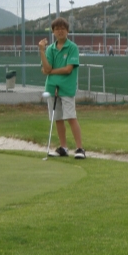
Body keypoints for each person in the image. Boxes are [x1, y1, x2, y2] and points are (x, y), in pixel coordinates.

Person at [39, 17, 85, 159]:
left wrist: (51, 71)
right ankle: (63, 148)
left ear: (67, 31)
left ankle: (79, 149)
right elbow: (46, 68)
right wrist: (42, 51)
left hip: (67, 87)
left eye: (62, 29)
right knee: (57, 118)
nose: (60, 31)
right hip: (52, 87)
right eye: (57, 29)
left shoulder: (72, 47)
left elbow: (68, 69)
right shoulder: (51, 49)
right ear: (53, 32)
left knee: (71, 117)